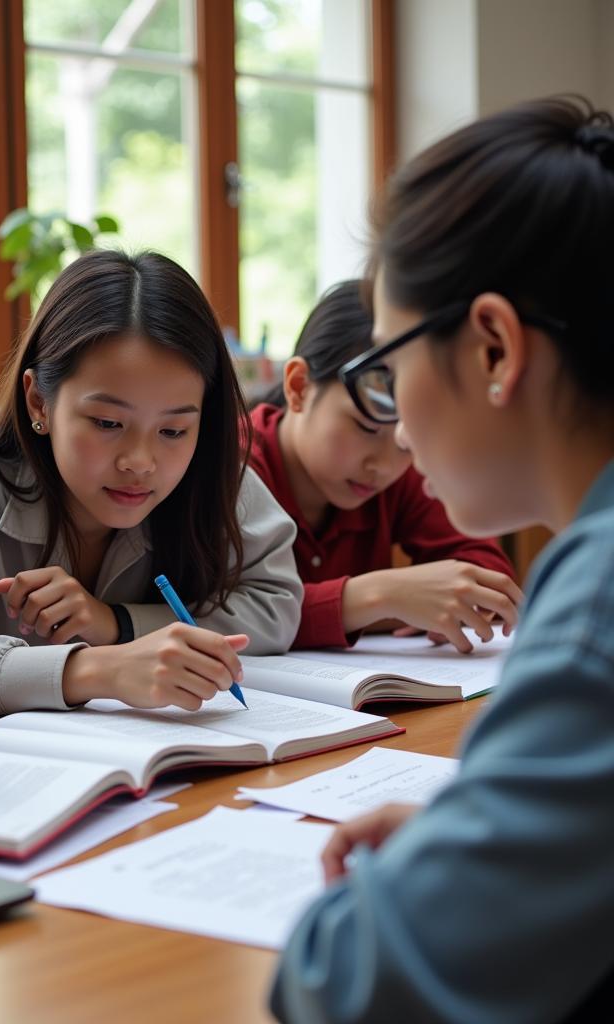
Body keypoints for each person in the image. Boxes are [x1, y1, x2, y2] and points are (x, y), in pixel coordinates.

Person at [271, 95, 614, 1021]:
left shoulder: (597, 604)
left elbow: (348, 982)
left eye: (389, 366)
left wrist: (427, 886)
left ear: (496, 348)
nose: (399, 429)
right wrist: (489, 847)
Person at [0, 249, 302, 715]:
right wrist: (98, 669)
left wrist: (117, 624)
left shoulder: (206, 471)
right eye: (106, 423)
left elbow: (277, 604)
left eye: (173, 430)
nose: (141, 462)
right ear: (39, 401)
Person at [248, 279, 521, 651]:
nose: (386, 465)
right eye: (366, 427)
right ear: (298, 387)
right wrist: (381, 597)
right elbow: (214, 611)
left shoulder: (397, 471)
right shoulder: (227, 465)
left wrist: (444, 599)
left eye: (410, 438)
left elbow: (487, 576)